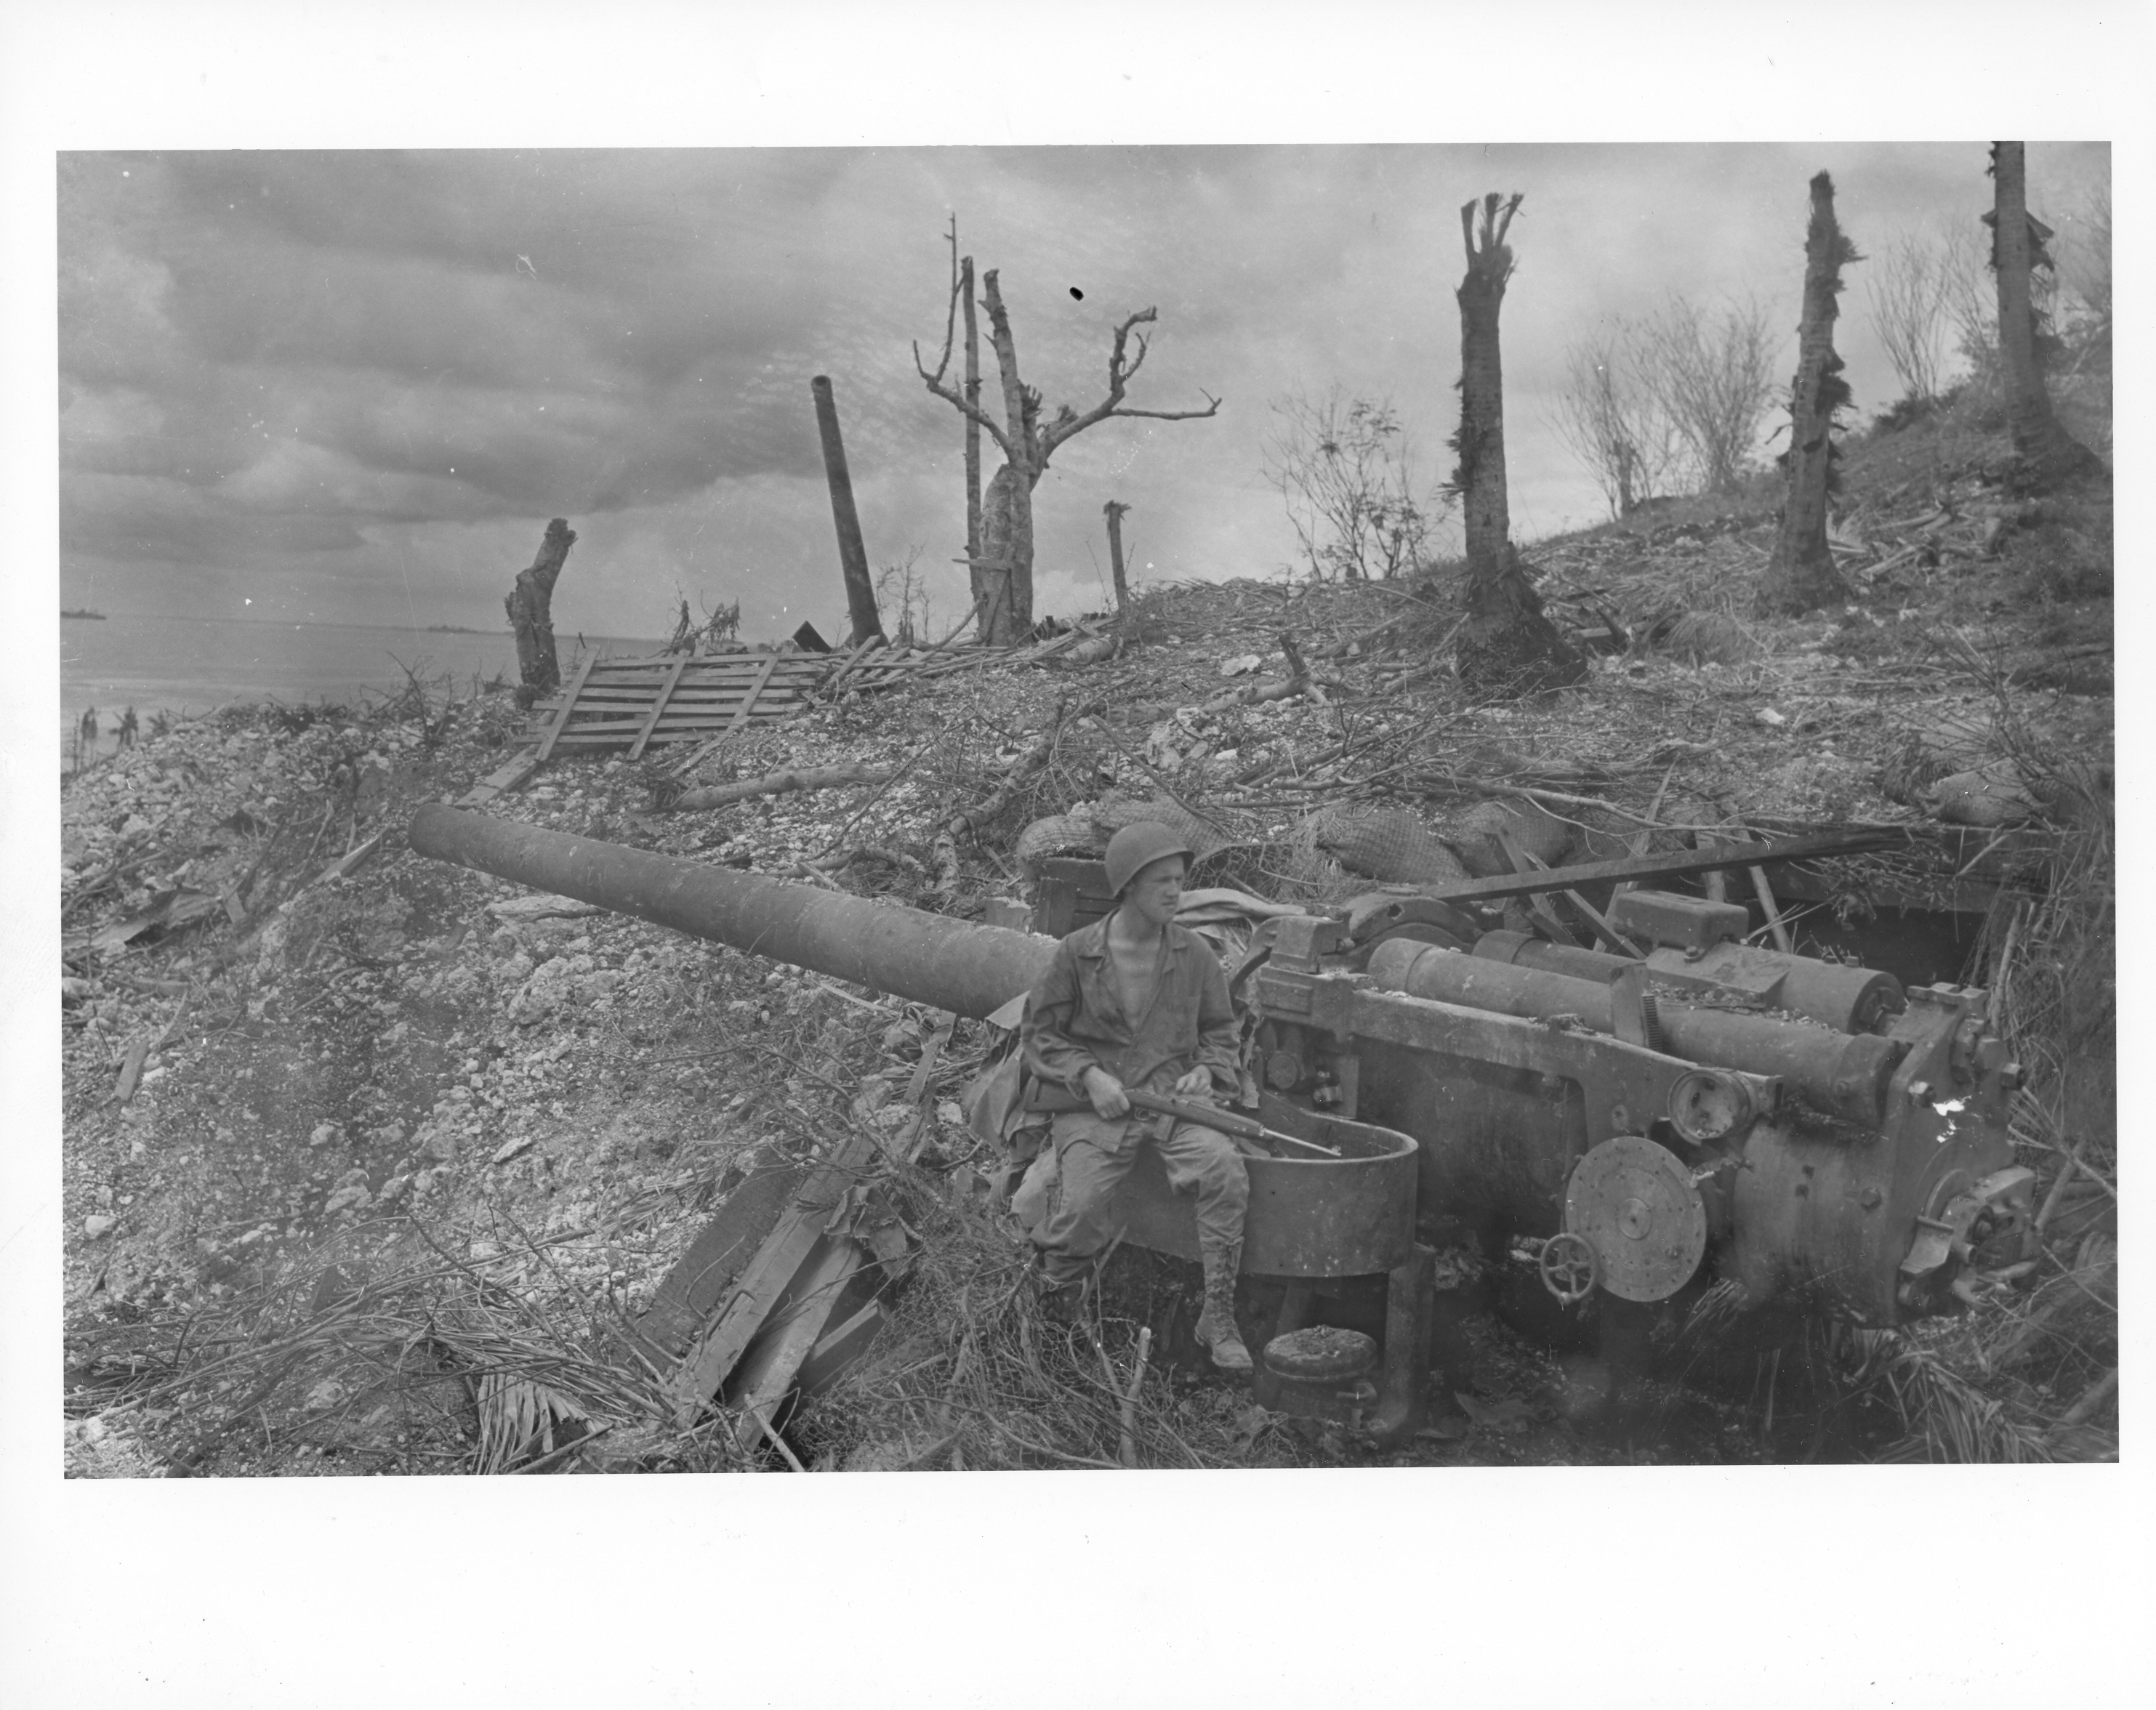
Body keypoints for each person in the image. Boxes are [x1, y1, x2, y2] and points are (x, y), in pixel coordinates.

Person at [1021, 820, 1252, 1371]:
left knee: (1225, 1169)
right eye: (1161, 883)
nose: (1175, 891)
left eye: (1179, 880)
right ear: (1127, 887)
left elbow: (1222, 1030)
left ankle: (1217, 1314)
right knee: (1077, 1206)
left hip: (1173, 1105)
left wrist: (1207, 1071)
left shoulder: (1194, 953)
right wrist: (1089, 1076)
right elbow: (1041, 1034)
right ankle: (1055, 1307)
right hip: (1095, 1110)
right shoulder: (1078, 954)